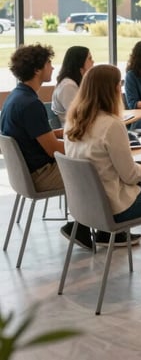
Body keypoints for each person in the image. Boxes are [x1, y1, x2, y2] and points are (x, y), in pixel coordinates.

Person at [64, 64, 141, 281]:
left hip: (87, 207)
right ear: (113, 89)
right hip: (116, 205)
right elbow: (131, 177)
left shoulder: (72, 122)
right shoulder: (111, 125)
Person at [0, 44, 91, 249]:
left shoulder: (15, 98)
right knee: (97, 169)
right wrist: (89, 148)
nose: (52, 67)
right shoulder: (31, 104)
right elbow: (53, 149)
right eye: (48, 63)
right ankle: (93, 230)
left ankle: (85, 227)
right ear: (37, 69)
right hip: (40, 175)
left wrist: (66, 134)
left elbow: (40, 136)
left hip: (25, 174)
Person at [51, 45, 94, 125]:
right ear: (79, 62)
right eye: (90, 58)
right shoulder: (68, 86)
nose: (93, 61)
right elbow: (79, 115)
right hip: (74, 132)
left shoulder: (76, 82)